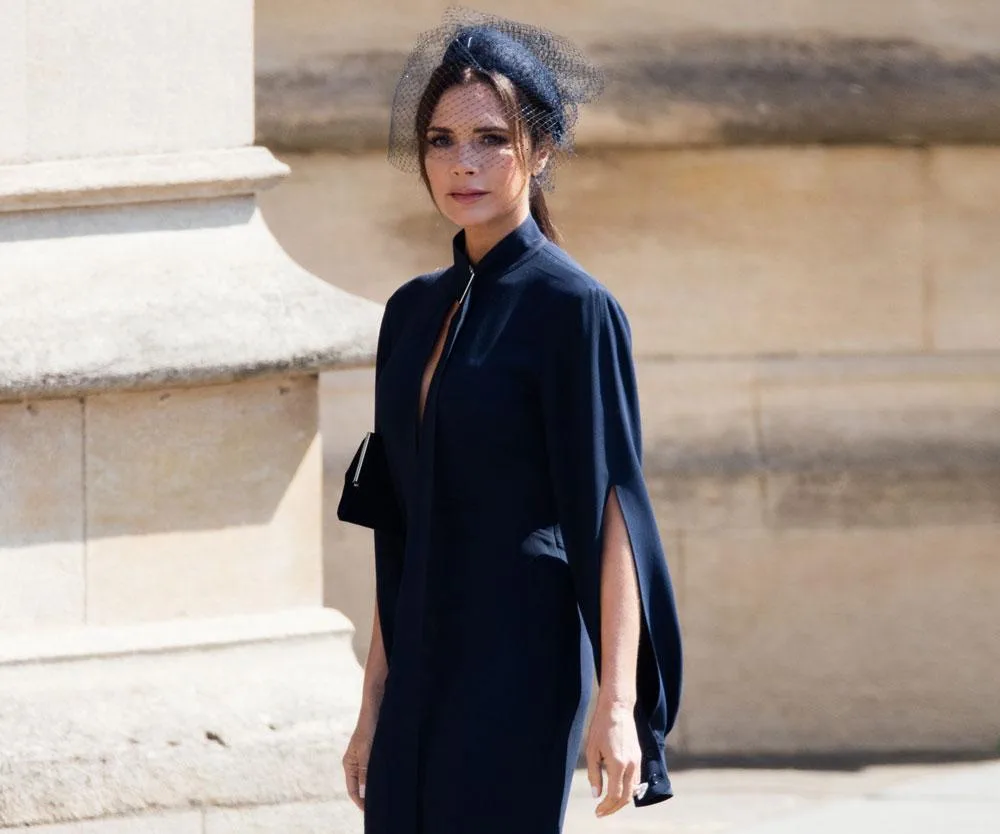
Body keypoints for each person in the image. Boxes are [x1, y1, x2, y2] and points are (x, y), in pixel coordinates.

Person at [341, 9, 682, 834]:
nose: (463, 163)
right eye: (441, 140)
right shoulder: (410, 312)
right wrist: (372, 700)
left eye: (491, 139)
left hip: (517, 660)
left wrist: (616, 703)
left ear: (543, 149)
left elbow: (614, 514)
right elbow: (398, 521)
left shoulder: (575, 309)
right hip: (418, 665)